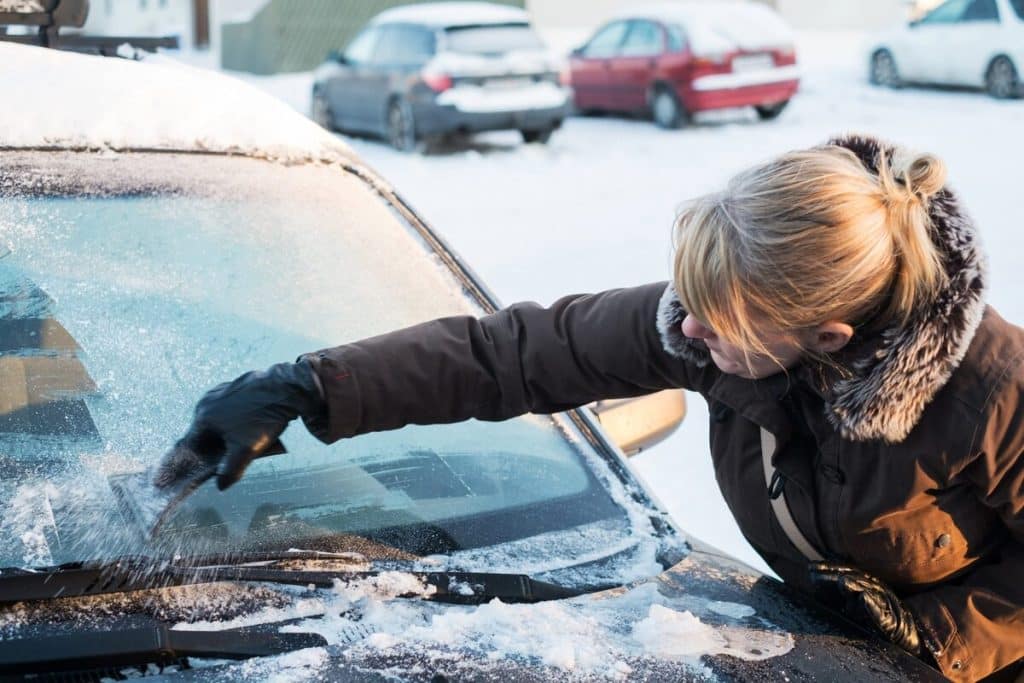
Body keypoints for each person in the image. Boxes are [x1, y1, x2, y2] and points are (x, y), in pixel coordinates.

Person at [156, 134, 1023, 682]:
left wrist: (937, 633)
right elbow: (519, 354)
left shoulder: (992, 392)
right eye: (687, 300)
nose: (683, 330)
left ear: (827, 336)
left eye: (714, 324)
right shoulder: (716, 319)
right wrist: (308, 386)